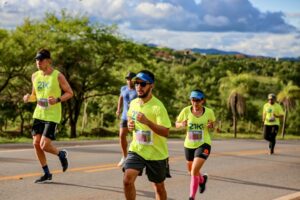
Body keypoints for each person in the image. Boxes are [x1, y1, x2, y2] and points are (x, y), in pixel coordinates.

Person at [23, 49, 73, 183]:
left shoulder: (58, 75)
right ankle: (46, 173)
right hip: (39, 113)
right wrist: (29, 97)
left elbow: (69, 93)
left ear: (48, 61)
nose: (38, 62)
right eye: (36, 60)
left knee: (44, 145)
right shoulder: (34, 76)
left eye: (41, 60)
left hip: (52, 115)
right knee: (36, 144)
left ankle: (61, 154)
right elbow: (35, 96)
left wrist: (57, 100)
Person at [123, 70, 171, 200]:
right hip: (137, 149)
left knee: (158, 186)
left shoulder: (158, 107)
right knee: (127, 180)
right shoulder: (133, 103)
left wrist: (148, 122)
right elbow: (129, 118)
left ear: (152, 86)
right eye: (136, 83)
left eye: (143, 84)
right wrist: (130, 125)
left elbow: (166, 132)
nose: (138, 87)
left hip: (156, 153)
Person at [175, 90, 215, 200]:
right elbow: (176, 124)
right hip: (189, 144)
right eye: (193, 100)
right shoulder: (185, 111)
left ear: (202, 100)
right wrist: (181, 124)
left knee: (193, 171)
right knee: (192, 171)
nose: (195, 103)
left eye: (198, 100)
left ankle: (191, 197)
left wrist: (211, 125)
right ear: (190, 100)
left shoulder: (209, 112)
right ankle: (202, 180)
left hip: (204, 144)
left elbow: (213, 125)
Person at [116, 72, 137, 167]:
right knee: (121, 136)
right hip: (125, 116)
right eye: (127, 79)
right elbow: (120, 98)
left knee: (136, 138)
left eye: (130, 79)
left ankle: (137, 158)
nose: (129, 81)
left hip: (135, 117)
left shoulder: (138, 89)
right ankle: (124, 156)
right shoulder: (123, 88)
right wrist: (118, 109)